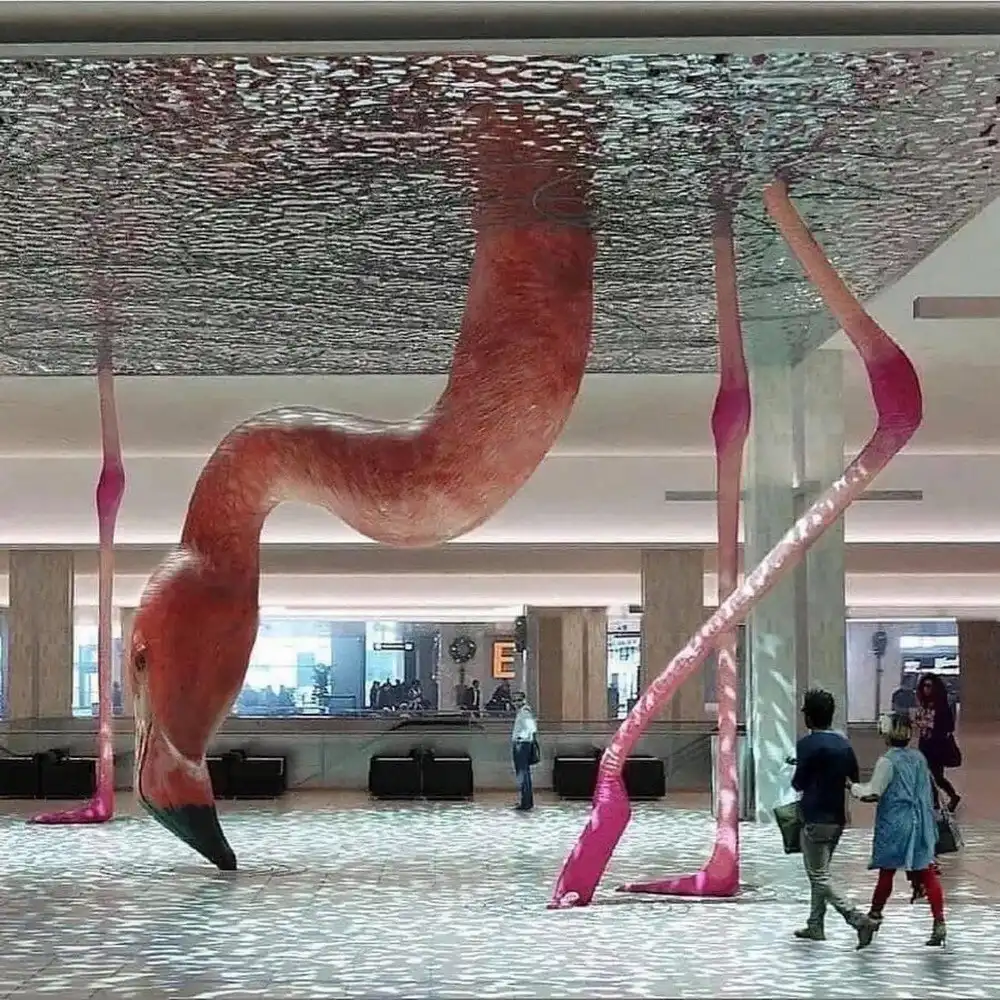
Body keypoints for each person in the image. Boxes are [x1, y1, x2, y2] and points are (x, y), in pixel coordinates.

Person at [849, 712, 947, 947]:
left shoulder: (887, 761)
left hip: (895, 823)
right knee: (927, 871)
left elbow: (873, 792)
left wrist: (852, 787)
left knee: (887, 872)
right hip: (921, 821)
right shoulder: (919, 758)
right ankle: (939, 922)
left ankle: (874, 916)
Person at [791, 688, 878, 947]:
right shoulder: (843, 744)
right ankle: (815, 924)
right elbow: (853, 778)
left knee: (819, 876)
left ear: (809, 716)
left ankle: (856, 918)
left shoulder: (806, 744)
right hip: (837, 817)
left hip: (814, 816)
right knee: (821, 872)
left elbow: (798, 783)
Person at [913, 673, 961, 813]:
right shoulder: (923, 705)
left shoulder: (942, 706)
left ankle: (952, 796)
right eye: (924, 686)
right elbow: (919, 721)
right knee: (928, 776)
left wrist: (932, 726)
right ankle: (935, 802)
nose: (926, 689)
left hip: (938, 746)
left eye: (929, 686)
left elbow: (949, 727)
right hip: (925, 744)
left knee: (937, 777)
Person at [510, 691, 538, 812]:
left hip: (522, 745)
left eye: (518, 700)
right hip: (522, 744)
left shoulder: (525, 712)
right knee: (523, 774)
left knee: (523, 774)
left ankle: (526, 802)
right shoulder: (522, 712)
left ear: (523, 700)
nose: (516, 703)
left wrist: (521, 738)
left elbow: (532, 728)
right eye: (514, 700)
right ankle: (525, 801)